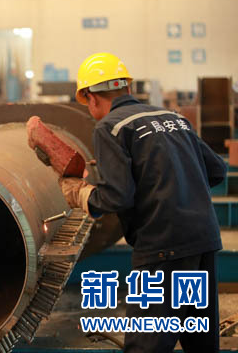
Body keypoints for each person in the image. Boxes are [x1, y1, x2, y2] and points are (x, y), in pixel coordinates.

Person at [28, 52, 226, 352]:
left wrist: (80, 193)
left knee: (145, 345)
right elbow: (216, 170)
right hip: (204, 242)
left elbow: (117, 196)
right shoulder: (174, 119)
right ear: (128, 88)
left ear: (91, 98)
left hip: (162, 248)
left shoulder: (110, 127)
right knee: (200, 343)